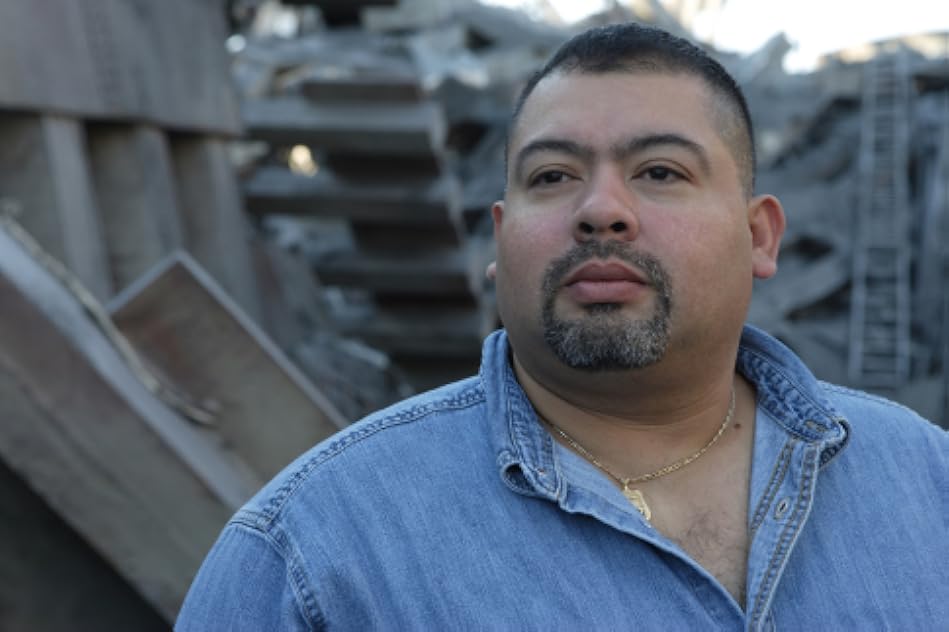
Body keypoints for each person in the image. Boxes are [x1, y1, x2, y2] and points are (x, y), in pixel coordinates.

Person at [176, 22, 949, 630]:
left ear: (758, 237)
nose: (600, 210)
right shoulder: (316, 553)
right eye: (552, 177)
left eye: (659, 172)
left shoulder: (923, 482)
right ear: (499, 239)